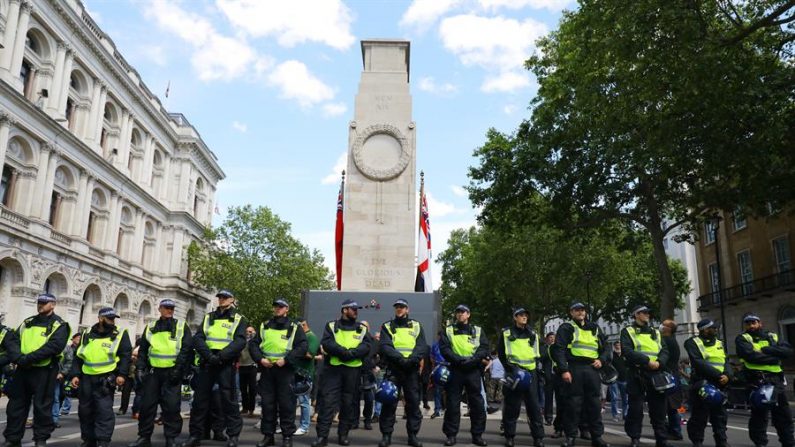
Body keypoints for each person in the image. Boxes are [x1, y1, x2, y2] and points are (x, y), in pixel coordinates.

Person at [179, 290, 248, 447]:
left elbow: (240, 342)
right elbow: (199, 338)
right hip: (208, 362)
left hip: (225, 364)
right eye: (220, 298)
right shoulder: (208, 317)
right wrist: (210, 356)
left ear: (232, 300)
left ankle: (233, 436)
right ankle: (195, 435)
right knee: (199, 401)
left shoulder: (239, 319)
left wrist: (221, 356)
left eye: (225, 298)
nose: (221, 300)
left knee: (229, 401)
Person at [4, 292, 70, 447]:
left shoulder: (59, 325)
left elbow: (53, 347)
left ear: (53, 304)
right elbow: (12, 340)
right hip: (23, 370)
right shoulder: (28, 322)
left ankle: (40, 439)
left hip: (44, 371)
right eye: (39, 302)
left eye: (44, 302)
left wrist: (27, 359)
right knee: (16, 406)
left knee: (42, 407)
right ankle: (13, 438)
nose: (40, 305)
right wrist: (19, 358)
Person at [129, 299, 193, 447]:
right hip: (153, 373)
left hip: (172, 373)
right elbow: (143, 350)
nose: (170, 310)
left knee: (171, 408)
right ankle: (144, 437)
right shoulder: (151, 327)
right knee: (147, 407)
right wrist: (139, 368)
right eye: (167, 308)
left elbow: (186, 349)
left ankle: (171, 439)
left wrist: (179, 369)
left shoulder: (182, 326)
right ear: (160, 309)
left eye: (172, 308)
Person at [310, 299, 372, 447]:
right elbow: (327, 342)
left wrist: (352, 354)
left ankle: (343, 435)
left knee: (347, 404)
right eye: (353, 309)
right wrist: (344, 352)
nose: (356, 312)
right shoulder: (331, 325)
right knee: (327, 403)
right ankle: (322, 437)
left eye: (357, 309)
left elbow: (367, 345)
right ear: (344, 310)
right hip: (334, 370)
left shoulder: (362, 328)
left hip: (352, 372)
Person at [71, 307, 133, 447]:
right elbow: (78, 356)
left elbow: (125, 355)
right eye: (109, 319)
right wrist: (75, 374)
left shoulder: (119, 334)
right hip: (86, 377)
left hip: (105, 378)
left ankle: (103, 441)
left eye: (113, 319)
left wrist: (122, 374)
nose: (112, 322)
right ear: (100, 319)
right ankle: (88, 440)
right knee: (85, 411)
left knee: (103, 411)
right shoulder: (87, 333)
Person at [250, 298, 308, 447]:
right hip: (267, 370)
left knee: (286, 405)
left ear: (287, 309)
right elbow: (254, 345)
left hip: (285, 371)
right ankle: (268, 436)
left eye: (281, 307)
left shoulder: (294, 327)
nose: (277, 309)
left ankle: (287, 437)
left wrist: (287, 360)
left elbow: (302, 346)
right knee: (268, 405)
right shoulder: (265, 325)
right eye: (276, 306)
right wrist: (260, 359)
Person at [552, 301, 610, 447]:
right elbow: (559, 349)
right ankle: (570, 437)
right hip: (574, 368)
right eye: (577, 310)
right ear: (571, 312)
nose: (580, 312)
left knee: (594, 405)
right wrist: (564, 370)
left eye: (583, 310)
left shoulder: (594, 328)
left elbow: (606, 348)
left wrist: (601, 360)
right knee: (573, 404)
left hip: (592, 369)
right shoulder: (566, 327)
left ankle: (597, 437)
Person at [735, 313, 794, 447]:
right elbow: (750, 356)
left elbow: (788, 352)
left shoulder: (773, 336)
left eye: (753, 322)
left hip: (776, 381)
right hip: (757, 380)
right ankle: (760, 443)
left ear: (760, 323)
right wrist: (775, 357)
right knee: (759, 415)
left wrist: (766, 349)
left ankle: (789, 443)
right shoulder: (743, 338)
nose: (751, 325)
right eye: (748, 323)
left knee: (783, 415)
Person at [377, 298, 429, 447]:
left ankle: (412, 436)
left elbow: (422, 346)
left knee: (413, 404)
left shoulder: (417, 325)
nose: (399, 309)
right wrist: (400, 359)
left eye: (402, 307)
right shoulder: (387, 326)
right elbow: (385, 346)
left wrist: (411, 359)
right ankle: (386, 436)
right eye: (397, 307)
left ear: (407, 310)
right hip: (394, 369)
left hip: (411, 370)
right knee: (389, 403)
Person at [440, 304, 489, 447]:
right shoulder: (448, 330)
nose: (460, 314)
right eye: (458, 312)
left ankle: (477, 435)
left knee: (477, 404)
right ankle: (451, 435)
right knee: (452, 404)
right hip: (456, 370)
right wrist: (459, 360)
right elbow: (445, 349)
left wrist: (473, 360)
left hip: (473, 370)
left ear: (469, 314)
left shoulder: (478, 330)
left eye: (463, 312)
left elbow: (484, 348)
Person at [620, 304, 669, 447]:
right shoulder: (628, 331)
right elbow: (628, 351)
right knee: (635, 409)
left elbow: (665, 350)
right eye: (644, 312)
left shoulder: (656, 332)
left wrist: (659, 362)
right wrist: (647, 361)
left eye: (648, 312)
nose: (647, 314)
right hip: (637, 373)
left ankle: (661, 439)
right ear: (636, 315)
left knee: (659, 409)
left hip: (656, 373)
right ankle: (635, 438)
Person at [497, 307, 545, 447]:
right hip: (514, 373)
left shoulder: (533, 334)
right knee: (512, 407)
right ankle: (509, 437)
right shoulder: (506, 333)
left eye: (526, 315)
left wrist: (538, 370)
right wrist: (510, 370)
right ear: (515, 317)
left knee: (534, 407)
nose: (524, 317)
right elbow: (501, 353)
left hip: (531, 374)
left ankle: (538, 438)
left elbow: (538, 353)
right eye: (521, 315)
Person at [684, 319, 731, 447]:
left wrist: (728, 375)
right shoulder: (692, 342)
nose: (716, 330)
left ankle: (722, 442)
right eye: (713, 328)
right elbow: (698, 362)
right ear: (704, 330)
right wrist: (718, 375)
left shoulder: (720, 343)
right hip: (702, 382)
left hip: (720, 383)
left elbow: (726, 361)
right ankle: (697, 441)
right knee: (700, 415)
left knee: (720, 416)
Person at [296, 318, 321, 436]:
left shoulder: (312, 337)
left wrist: (296, 351)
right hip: (294, 372)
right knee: (290, 401)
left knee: (304, 401)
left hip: (305, 373)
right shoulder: (298, 336)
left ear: (303, 325)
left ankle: (304, 426)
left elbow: (310, 354)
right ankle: (289, 425)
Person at [660, 320, 682, 441]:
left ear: (669, 328)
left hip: (667, 376)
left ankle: (675, 431)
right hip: (673, 374)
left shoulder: (667, 341)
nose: (661, 325)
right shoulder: (672, 340)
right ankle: (673, 429)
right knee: (671, 406)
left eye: (664, 324)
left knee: (669, 406)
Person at [53, 333, 79, 427]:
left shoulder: (68, 349)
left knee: (58, 397)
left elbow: (69, 362)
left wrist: (62, 373)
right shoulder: (50, 344)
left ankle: (54, 419)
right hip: (47, 375)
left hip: (63, 376)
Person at [238, 326, 258, 418]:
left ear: (254, 332)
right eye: (247, 331)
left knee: (252, 389)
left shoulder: (255, 341)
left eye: (250, 331)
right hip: (242, 366)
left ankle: (251, 410)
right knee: (243, 389)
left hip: (252, 366)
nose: (248, 333)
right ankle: (245, 408)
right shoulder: (242, 341)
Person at [609, 341, 628, 421]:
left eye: (619, 345)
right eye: (616, 345)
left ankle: (625, 414)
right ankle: (615, 415)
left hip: (624, 379)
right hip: (614, 380)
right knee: (614, 398)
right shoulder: (611, 355)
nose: (618, 346)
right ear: (614, 346)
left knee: (626, 399)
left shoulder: (625, 355)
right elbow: (608, 365)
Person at [540, 332, 556, 426]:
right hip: (548, 376)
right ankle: (548, 418)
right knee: (548, 398)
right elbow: (541, 358)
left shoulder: (559, 348)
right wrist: (549, 350)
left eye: (554, 338)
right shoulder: (544, 348)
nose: (552, 339)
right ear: (547, 339)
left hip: (558, 376)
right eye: (550, 337)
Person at [430, 331, 446, 419]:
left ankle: (447, 409)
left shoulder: (449, 345)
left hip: (448, 369)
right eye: (440, 336)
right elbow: (432, 356)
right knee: (437, 391)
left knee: (449, 390)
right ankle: (437, 410)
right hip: (438, 369)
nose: (441, 338)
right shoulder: (435, 345)